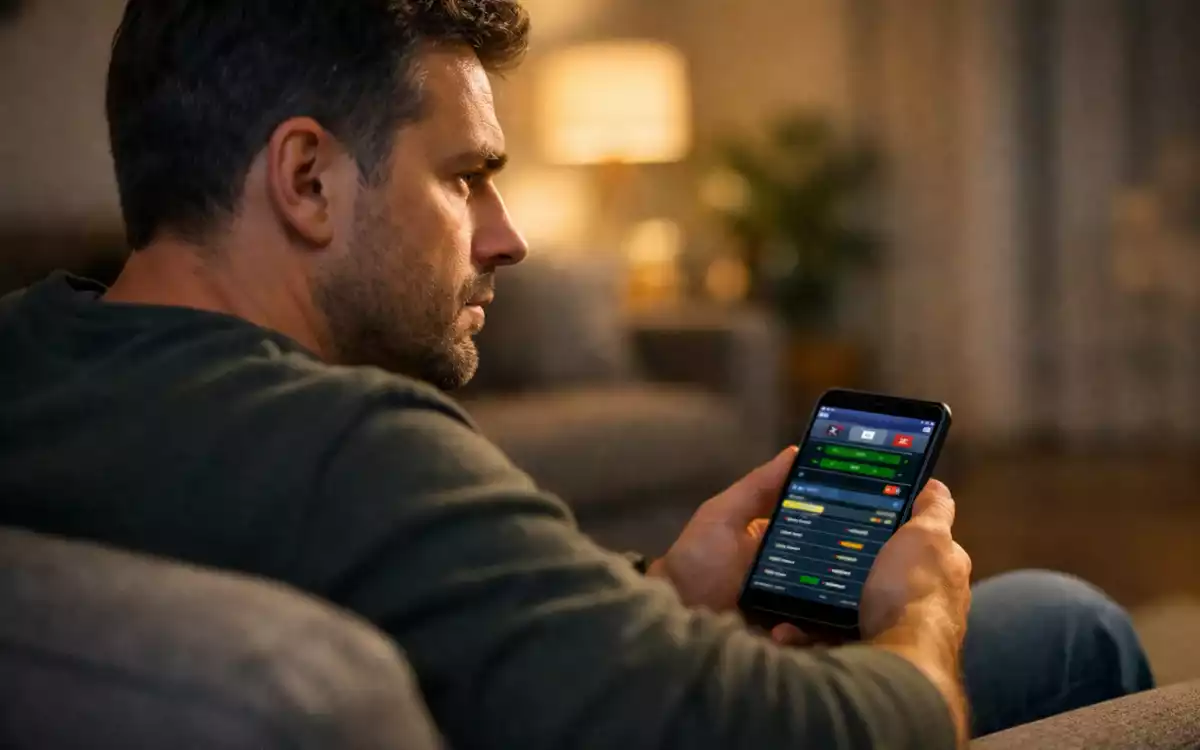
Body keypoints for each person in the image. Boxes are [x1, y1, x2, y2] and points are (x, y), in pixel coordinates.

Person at [0, 1, 1152, 747]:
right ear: (307, 179)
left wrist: (663, 585)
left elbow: (428, 609)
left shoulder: (32, 354)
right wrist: (922, 611)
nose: (507, 237)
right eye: (466, 178)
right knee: (1064, 622)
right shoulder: (355, 449)